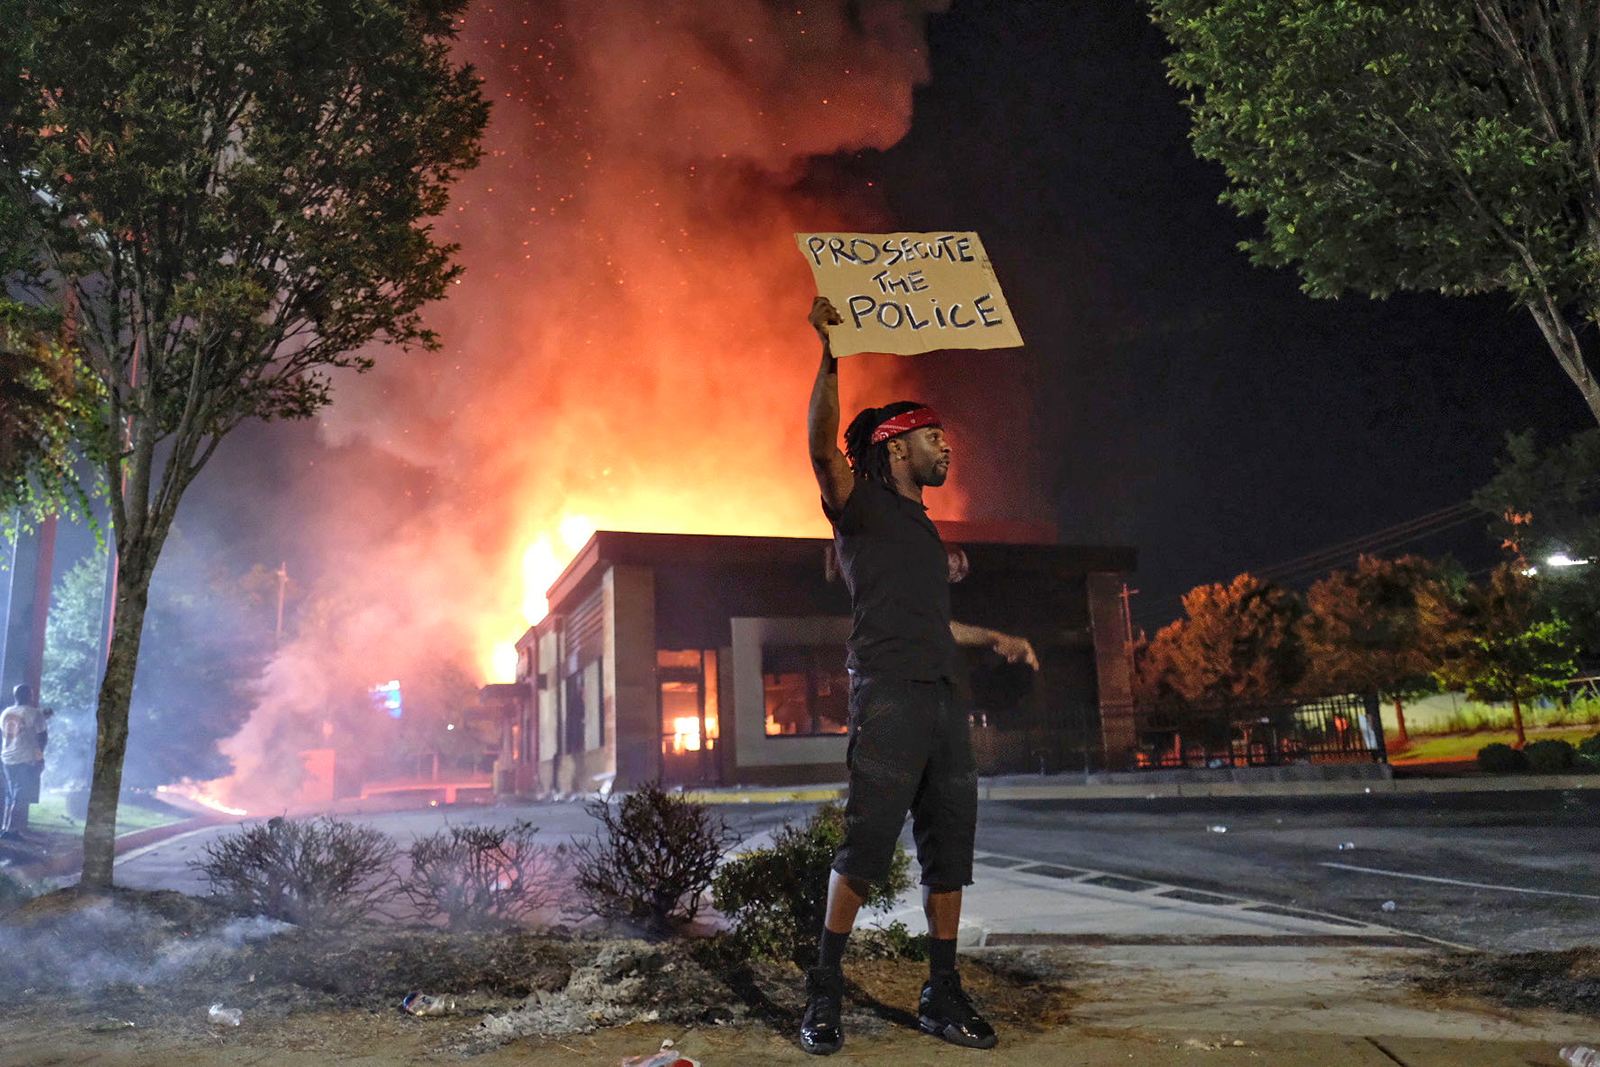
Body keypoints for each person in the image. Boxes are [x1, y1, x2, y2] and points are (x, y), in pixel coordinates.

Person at [800, 296, 1040, 1056]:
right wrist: (831, 352)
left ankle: (941, 990)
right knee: (866, 848)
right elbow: (819, 450)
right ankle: (825, 987)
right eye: (935, 438)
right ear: (898, 445)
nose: (947, 450)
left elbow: (931, 622)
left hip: (943, 699)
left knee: (950, 854)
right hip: (888, 695)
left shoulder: (928, 534)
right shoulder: (861, 507)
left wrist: (993, 637)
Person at [0, 683, 49, 840]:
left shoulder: (6, 713)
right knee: (20, 795)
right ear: (29, 695)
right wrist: (40, 757)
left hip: (7, 757)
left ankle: (5, 827)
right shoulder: (35, 713)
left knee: (11, 793)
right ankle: (12, 830)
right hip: (25, 758)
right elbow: (42, 737)